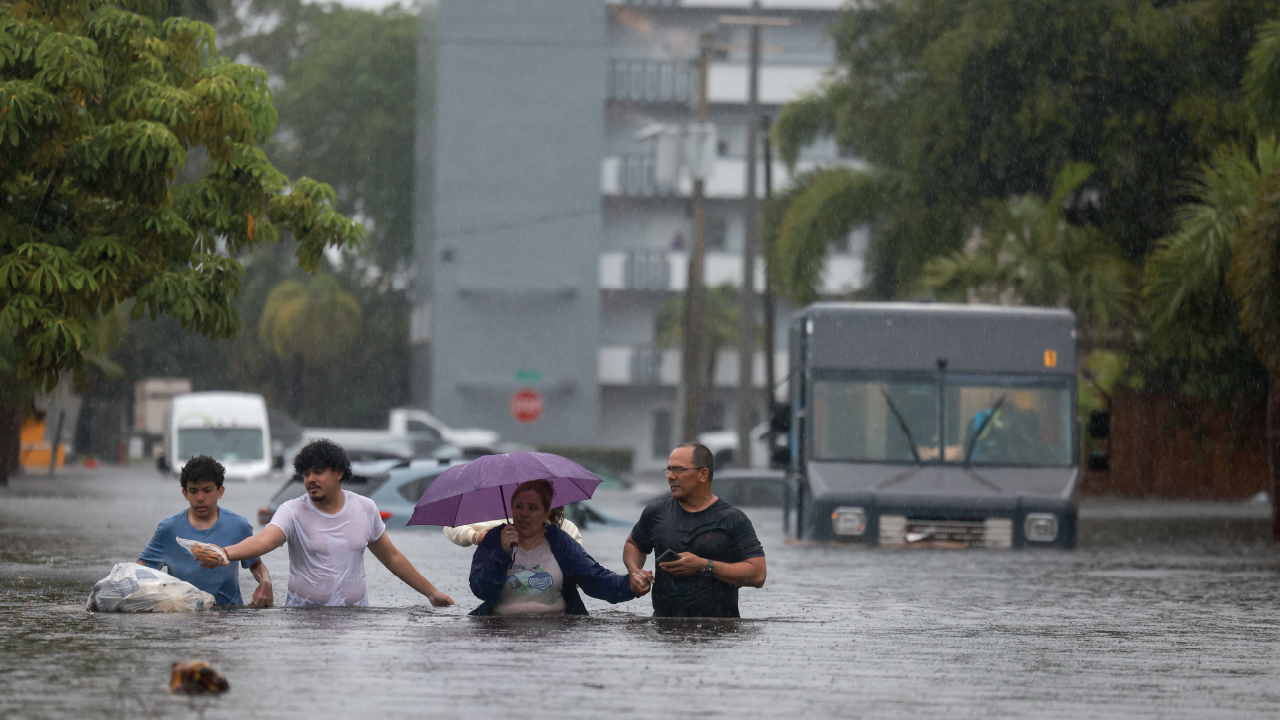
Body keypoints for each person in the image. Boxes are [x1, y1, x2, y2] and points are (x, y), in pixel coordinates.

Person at [191, 439, 454, 608]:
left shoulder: (365, 508)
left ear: (339, 473)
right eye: (305, 474)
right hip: (302, 624)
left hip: (355, 623)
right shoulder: (292, 510)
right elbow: (263, 541)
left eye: (318, 472)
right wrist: (225, 553)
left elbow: (393, 558)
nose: (310, 479)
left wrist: (431, 593)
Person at [623, 442, 766, 618]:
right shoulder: (656, 512)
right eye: (668, 470)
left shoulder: (733, 519)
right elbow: (634, 543)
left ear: (703, 474)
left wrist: (704, 566)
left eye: (679, 470)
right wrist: (634, 570)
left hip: (720, 632)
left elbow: (758, 575)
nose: (670, 477)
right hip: (664, 631)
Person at [469, 479, 649, 616]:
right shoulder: (494, 540)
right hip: (501, 630)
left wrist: (629, 585)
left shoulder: (560, 542)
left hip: (555, 628)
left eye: (532, 508)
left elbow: (595, 579)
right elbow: (481, 589)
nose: (524, 514)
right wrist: (501, 553)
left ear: (547, 513)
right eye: (519, 506)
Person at [138, 455, 273, 607]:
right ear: (185, 493)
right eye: (193, 491)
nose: (200, 498)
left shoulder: (239, 526)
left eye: (207, 491)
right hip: (184, 618)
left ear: (220, 491)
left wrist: (265, 582)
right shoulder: (168, 530)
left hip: (229, 619)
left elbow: (256, 565)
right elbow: (141, 569)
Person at [443, 515, 582, 548]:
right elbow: (450, 525)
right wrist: (477, 537)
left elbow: (582, 575)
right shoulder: (502, 523)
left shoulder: (567, 529)